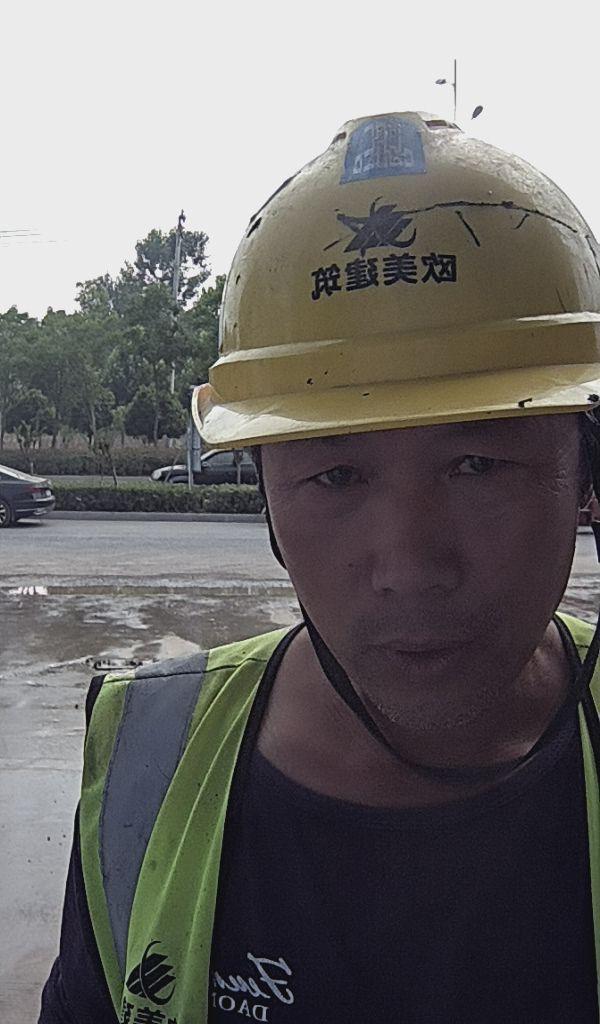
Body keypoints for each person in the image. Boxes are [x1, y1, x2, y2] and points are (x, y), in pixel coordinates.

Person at [40, 111, 600, 1023]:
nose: (409, 568)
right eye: (336, 475)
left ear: (586, 476)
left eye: (478, 465)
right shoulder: (150, 763)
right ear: (266, 493)